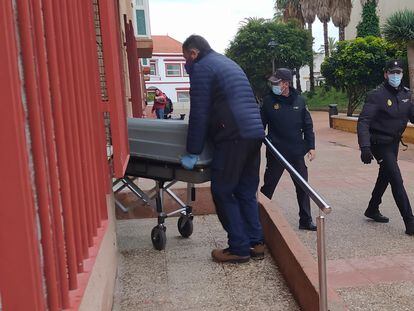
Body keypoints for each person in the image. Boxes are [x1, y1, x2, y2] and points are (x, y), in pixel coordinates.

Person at [180, 34, 265, 263]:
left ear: (193, 53)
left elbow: (199, 112)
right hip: (254, 132)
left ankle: (238, 247)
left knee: (223, 191)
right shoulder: (227, 62)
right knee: (246, 191)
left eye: (185, 57)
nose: (186, 63)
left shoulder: (202, 68)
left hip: (233, 136)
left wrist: (193, 150)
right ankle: (256, 243)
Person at [357, 59, 414, 236]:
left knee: (386, 175)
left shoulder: (407, 94)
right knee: (396, 178)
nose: (395, 76)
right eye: (392, 72)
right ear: (385, 74)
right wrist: (365, 147)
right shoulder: (377, 95)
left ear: (402, 74)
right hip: (379, 143)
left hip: (394, 142)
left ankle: (372, 209)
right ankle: (410, 222)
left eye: (398, 72)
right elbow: (364, 122)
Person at [260, 68, 317, 231]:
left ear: (286, 83)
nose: (273, 85)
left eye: (277, 82)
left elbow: (308, 125)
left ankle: (305, 220)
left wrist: (311, 146)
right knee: (268, 187)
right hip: (276, 152)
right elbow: (260, 127)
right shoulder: (268, 102)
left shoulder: (299, 101)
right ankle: (258, 218)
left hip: (296, 152)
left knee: (303, 187)